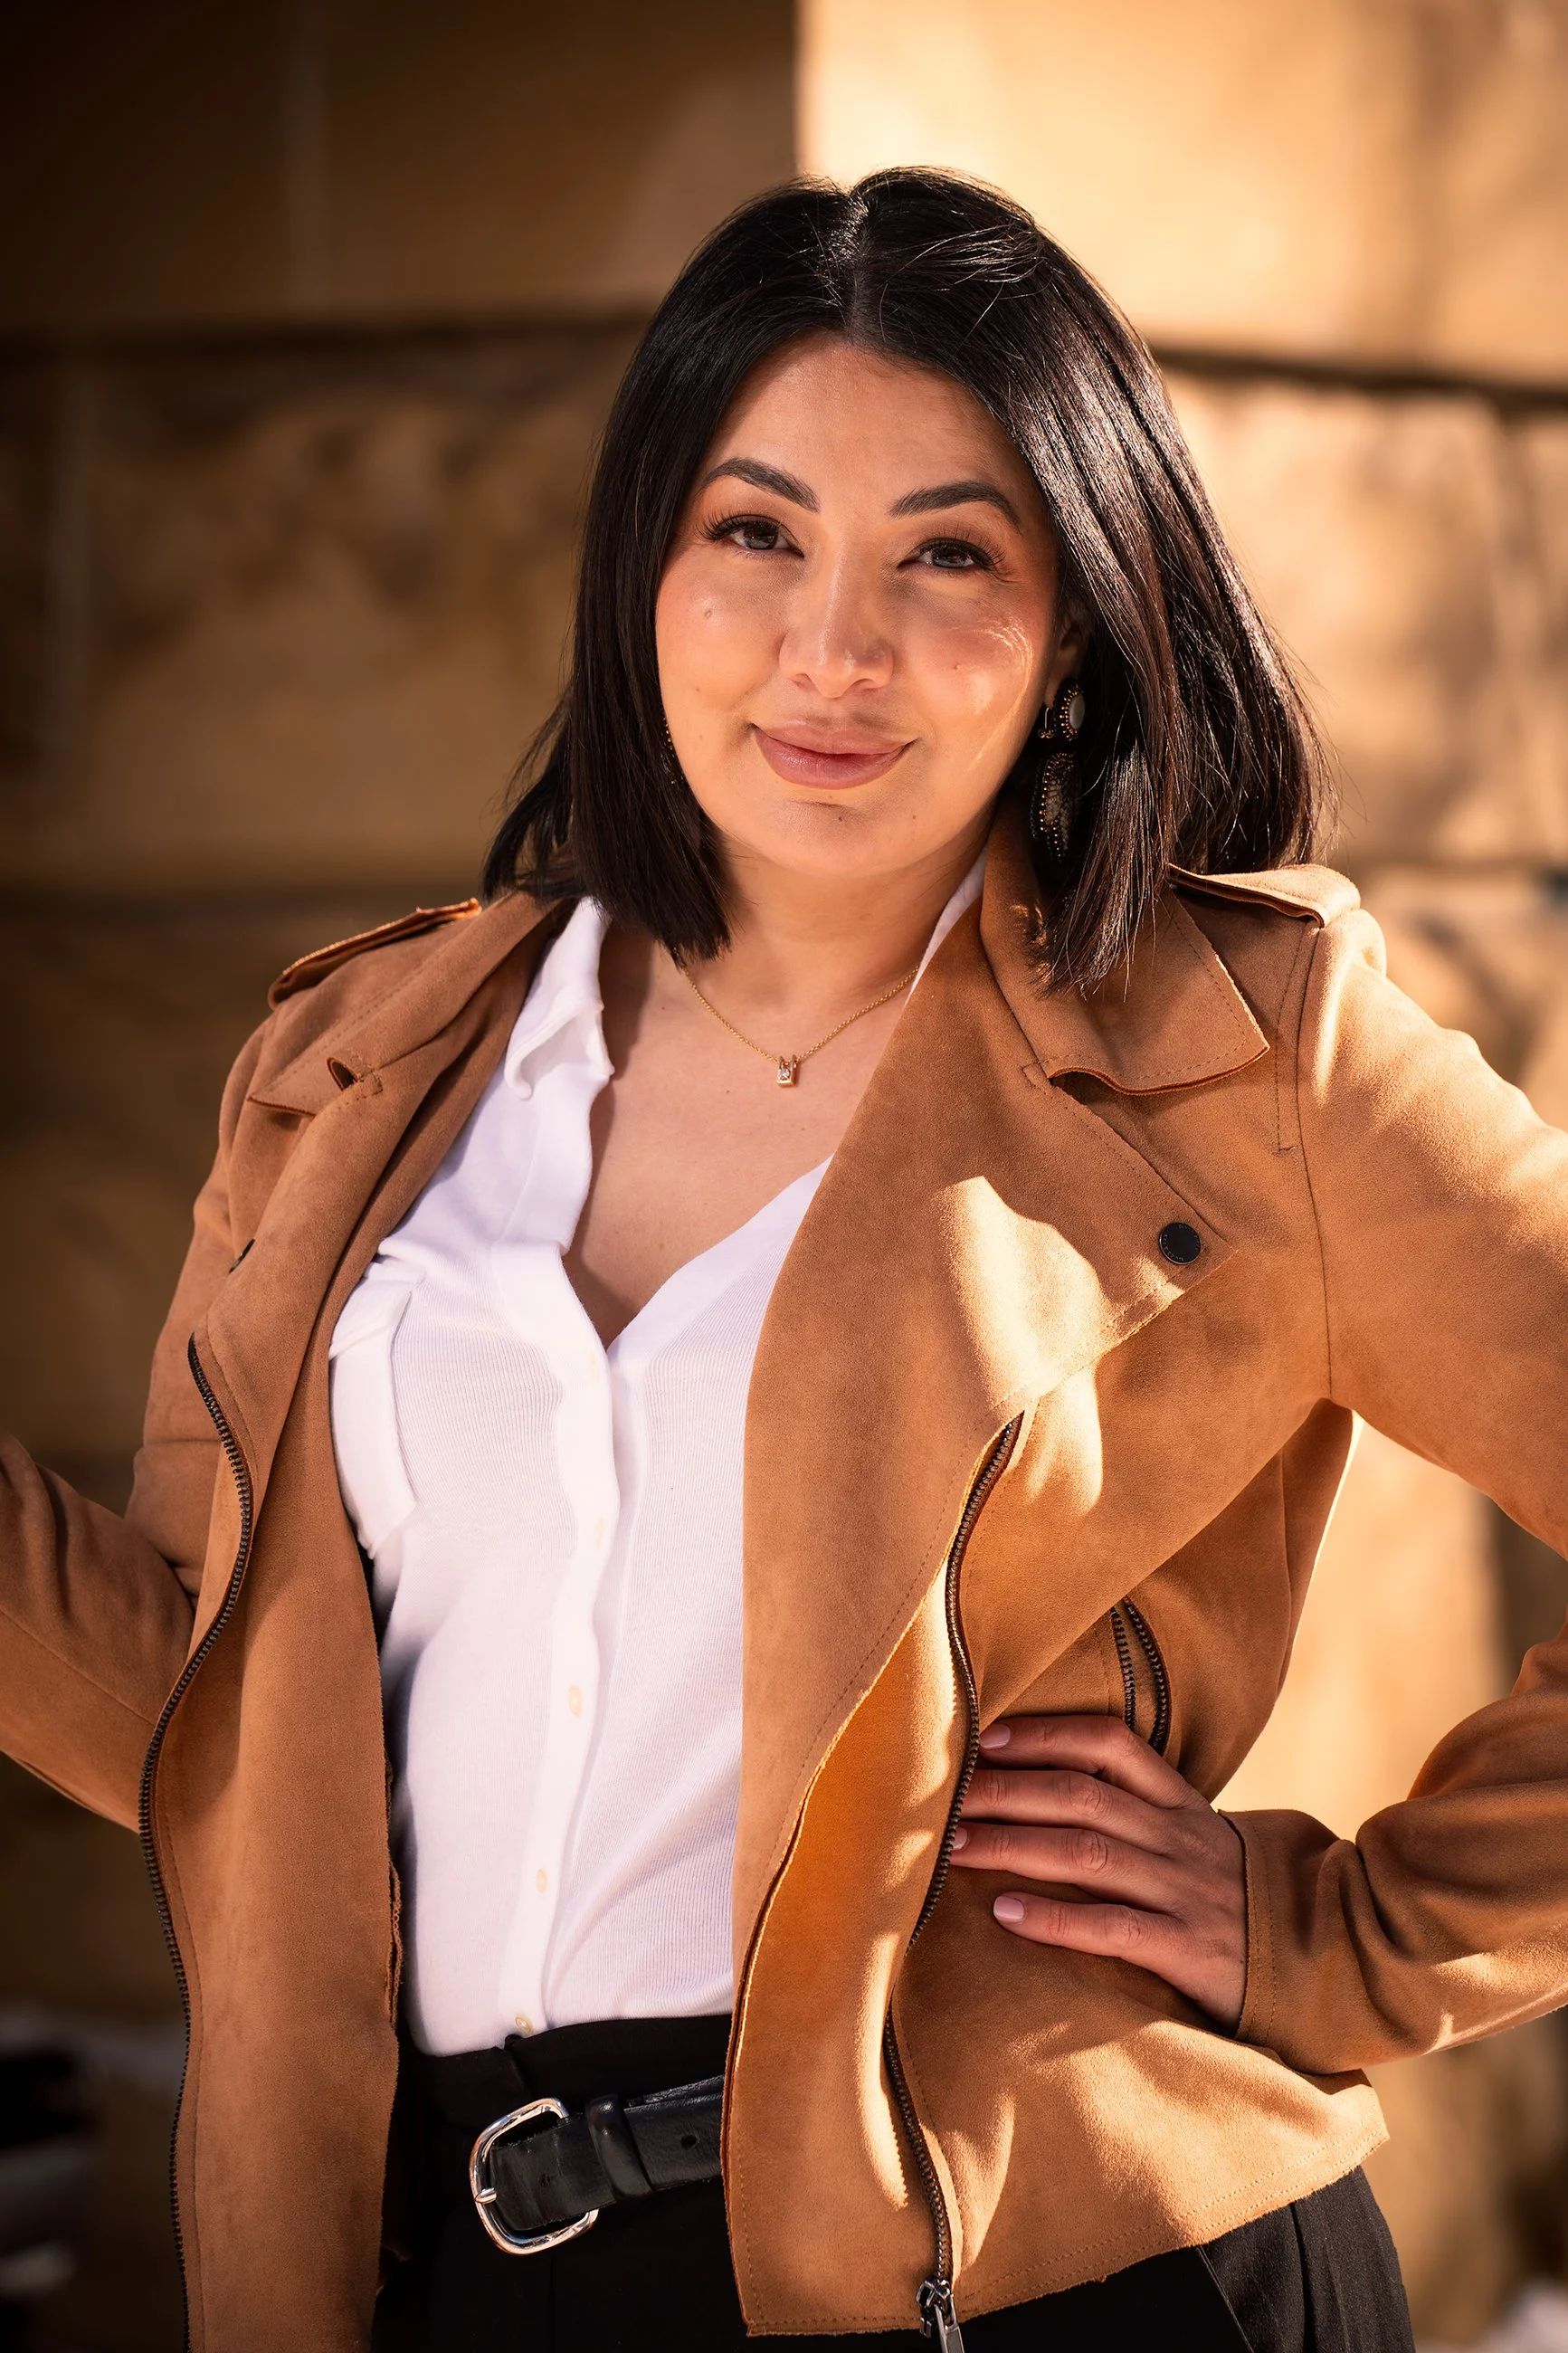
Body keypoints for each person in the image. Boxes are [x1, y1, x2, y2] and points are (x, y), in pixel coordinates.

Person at [3, 166, 1566, 2353]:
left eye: (947, 555)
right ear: (641, 563)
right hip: (463, 2274)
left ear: (1075, 618)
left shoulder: (1246, 1058)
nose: (833, 649)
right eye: (754, 532)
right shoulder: (353, 1067)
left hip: (1055, 2276)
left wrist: (1336, 1931)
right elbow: (203, 1709)